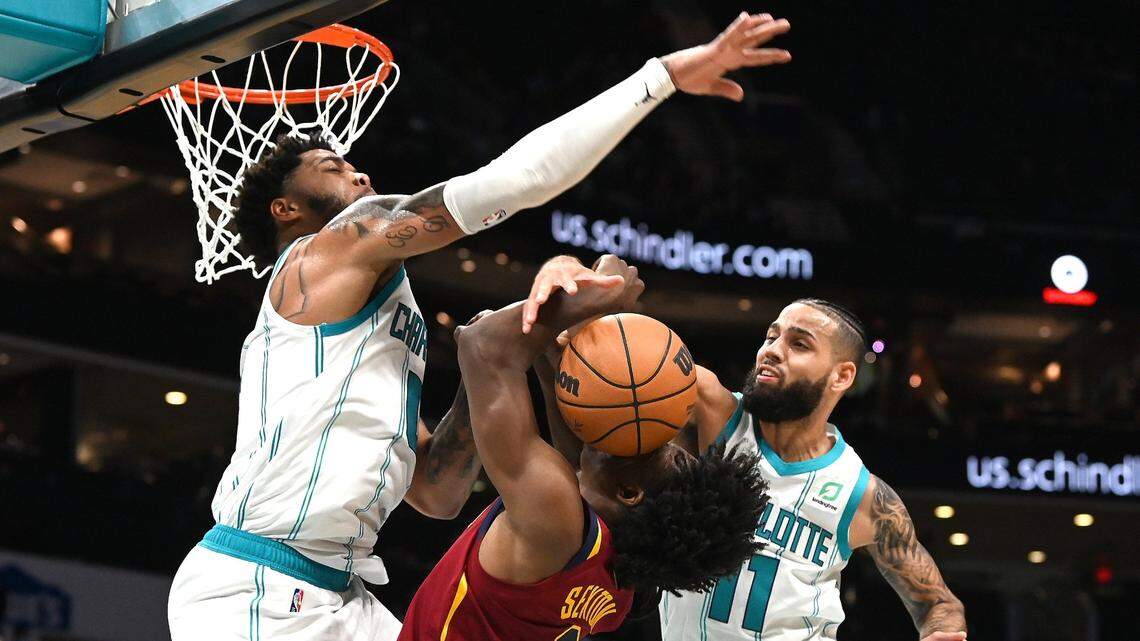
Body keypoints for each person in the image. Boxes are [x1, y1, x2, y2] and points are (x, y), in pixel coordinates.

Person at [167, 11, 793, 640]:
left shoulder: (364, 331)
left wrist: (518, 344)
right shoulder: (322, 253)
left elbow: (437, 493)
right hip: (258, 586)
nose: (358, 172)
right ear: (287, 210)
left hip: (335, 590)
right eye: (331, 169)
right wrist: (661, 77)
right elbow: (518, 181)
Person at [399, 255, 770, 641]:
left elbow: (483, 347)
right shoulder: (617, 582)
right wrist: (582, 322)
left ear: (630, 492)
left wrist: (590, 302)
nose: (647, 438)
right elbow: (568, 407)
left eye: (661, 450)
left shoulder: (555, 518)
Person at [659, 299, 968, 641]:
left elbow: (938, 604)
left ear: (842, 375)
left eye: (799, 344)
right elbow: (627, 360)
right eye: (770, 337)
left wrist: (943, 632)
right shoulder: (712, 411)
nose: (772, 351)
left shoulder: (862, 494)